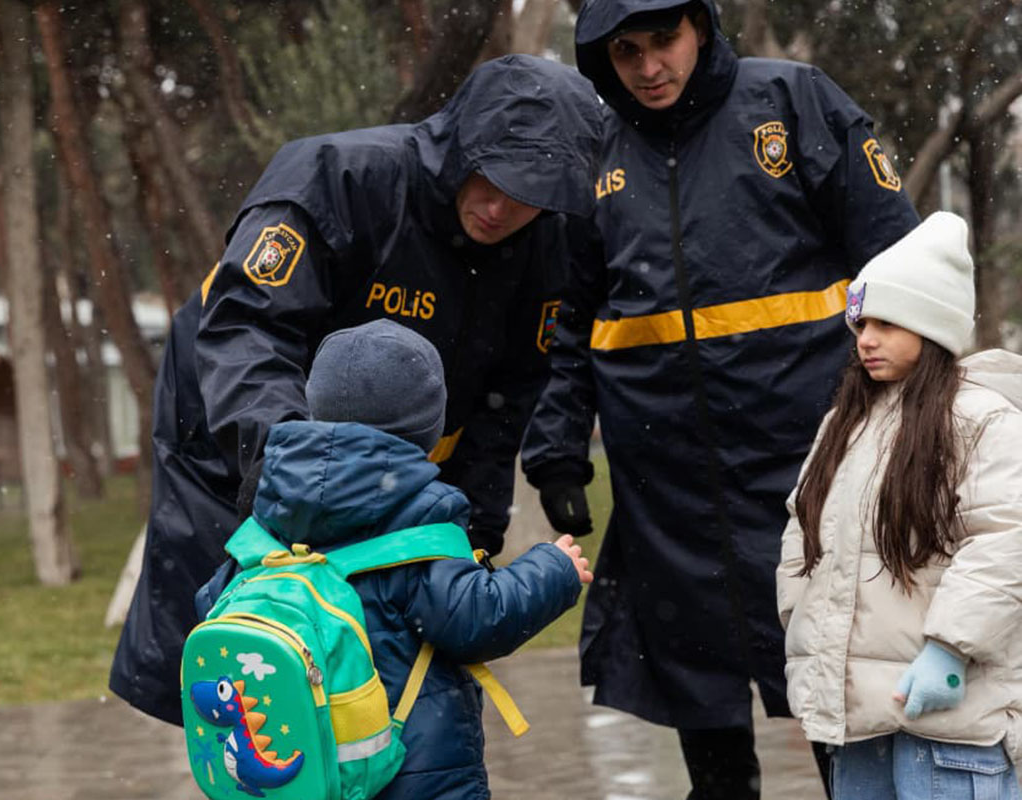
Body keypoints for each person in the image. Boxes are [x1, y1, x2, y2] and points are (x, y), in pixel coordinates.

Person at [111, 54, 604, 727]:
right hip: (237, 440)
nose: (500, 206)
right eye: (491, 178)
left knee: (376, 677)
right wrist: (297, 486)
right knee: (251, 669)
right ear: (461, 142)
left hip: (398, 465)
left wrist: (471, 539)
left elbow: (505, 403)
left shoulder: (549, 244)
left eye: (530, 192)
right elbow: (248, 336)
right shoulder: (336, 180)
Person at [521, 1, 921, 796]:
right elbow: (567, 319)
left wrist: (917, 416)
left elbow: (900, 269)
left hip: (812, 474)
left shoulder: (795, 101)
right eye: (625, 51)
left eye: (663, 40)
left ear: (700, 24)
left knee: (841, 706)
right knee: (705, 724)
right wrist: (559, 451)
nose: (648, 67)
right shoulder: (594, 152)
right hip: (666, 493)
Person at [198, 319, 592, 800]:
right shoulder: (417, 519)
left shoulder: (271, 508)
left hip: (307, 776)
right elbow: (477, 618)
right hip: (409, 774)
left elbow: (213, 604)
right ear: (429, 428)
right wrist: (554, 569)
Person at [776, 212, 1022, 799]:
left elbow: (1005, 539)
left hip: (949, 729)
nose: (865, 338)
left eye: (887, 323)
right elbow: (801, 529)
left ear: (931, 325)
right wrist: (801, 623)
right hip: (858, 723)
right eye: (861, 323)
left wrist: (950, 649)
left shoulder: (981, 420)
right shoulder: (847, 424)